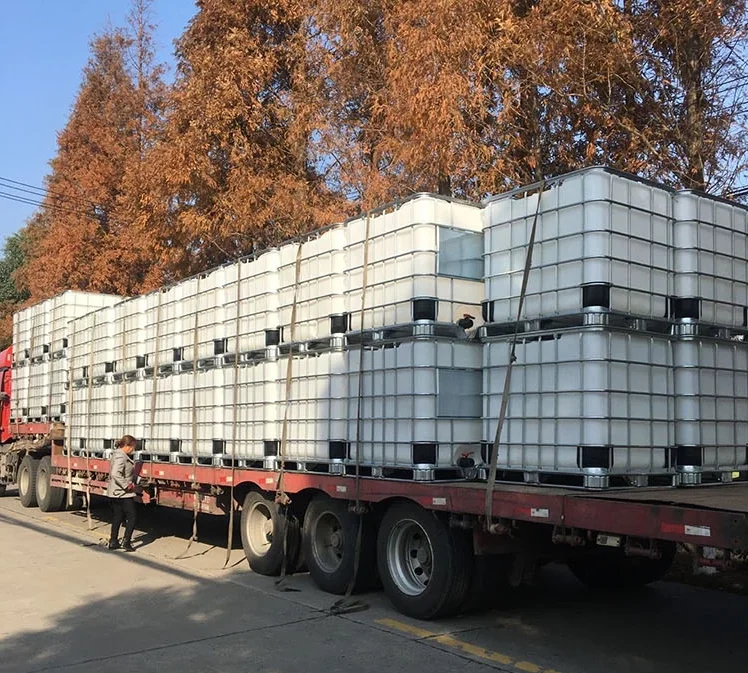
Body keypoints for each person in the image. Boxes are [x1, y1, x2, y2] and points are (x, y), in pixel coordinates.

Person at [107, 435, 139, 552]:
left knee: (118, 516)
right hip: (122, 493)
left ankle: (113, 541)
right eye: (132, 447)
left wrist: (137, 479)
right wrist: (126, 485)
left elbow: (125, 473)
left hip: (115, 492)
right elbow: (116, 473)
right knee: (132, 517)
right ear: (127, 446)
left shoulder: (117, 454)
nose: (133, 450)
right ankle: (126, 542)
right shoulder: (121, 456)